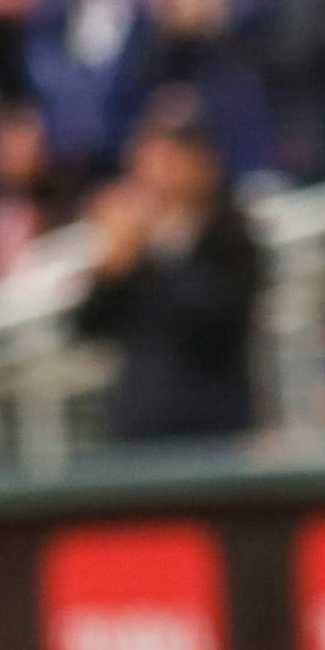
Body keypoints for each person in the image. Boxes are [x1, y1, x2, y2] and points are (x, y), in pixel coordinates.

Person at [65, 90, 262, 446]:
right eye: (150, 152)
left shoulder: (232, 235)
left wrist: (151, 253)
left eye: (174, 155)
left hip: (214, 437)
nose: (158, 168)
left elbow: (215, 321)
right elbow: (86, 326)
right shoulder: (130, 244)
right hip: (140, 441)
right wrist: (112, 271)